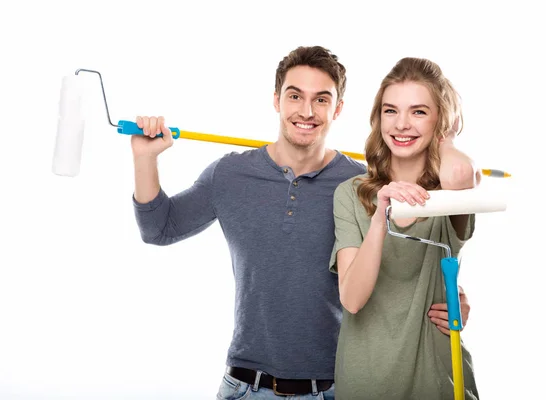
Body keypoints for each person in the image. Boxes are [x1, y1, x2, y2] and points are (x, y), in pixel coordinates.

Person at [130, 46, 472, 399]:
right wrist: (144, 159)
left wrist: (450, 296)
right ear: (277, 100)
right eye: (295, 96)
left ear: (338, 109)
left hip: (332, 387)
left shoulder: (361, 189)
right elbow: (160, 229)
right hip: (246, 386)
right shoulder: (230, 174)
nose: (306, 112)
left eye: (321, 99)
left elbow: (403, 270)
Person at [329, 56, 481, 399]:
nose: (401, 124)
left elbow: (458, 174)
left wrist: (448, 137)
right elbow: (352, 300)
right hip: (365, 377)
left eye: (419, 111)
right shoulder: (351, 195)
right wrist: (381, 214)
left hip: (437, 376)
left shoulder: (449, 195)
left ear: (439, 120)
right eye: (390, 110)